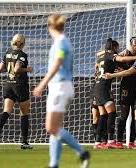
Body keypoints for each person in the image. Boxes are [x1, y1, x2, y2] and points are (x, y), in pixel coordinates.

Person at [32, 14, 90, 168]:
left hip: (59, 87)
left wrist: (42, 84)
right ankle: (54, 164)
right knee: (55, 130)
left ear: (50, 27)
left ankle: (82, 152)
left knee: (51, 127)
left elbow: (57, 63)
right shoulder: (63, 41)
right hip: (62, 86)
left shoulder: (61, 42)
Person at [93, 38, 136, 149]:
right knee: (113, 114)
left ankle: (98, 142)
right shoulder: (113, 55)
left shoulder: (102, 56)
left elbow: (99, 55)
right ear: (114, 48)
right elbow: (122, 59)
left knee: (104, 115)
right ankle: (112, 140)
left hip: (97, 87)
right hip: (106, 88)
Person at [0, 34, 33, 150]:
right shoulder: (22, 55)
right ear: (23, 44)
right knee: (24, 113)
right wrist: (27, 69)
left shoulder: (8, 53)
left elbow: (0, 69)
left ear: (12, 42)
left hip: (9, 85)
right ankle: (24, 142)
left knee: (7, 110)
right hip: (20, 85)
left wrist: (10, 69)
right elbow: (17, 69)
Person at [116, 37, 136, 149]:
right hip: (126, 88)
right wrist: (125, 72)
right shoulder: (124, 56)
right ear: (131, 44)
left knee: (135, 115)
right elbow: (119, 70)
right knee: (124, 115)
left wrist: (126, 72)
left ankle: (132, 141)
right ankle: (118, 140)